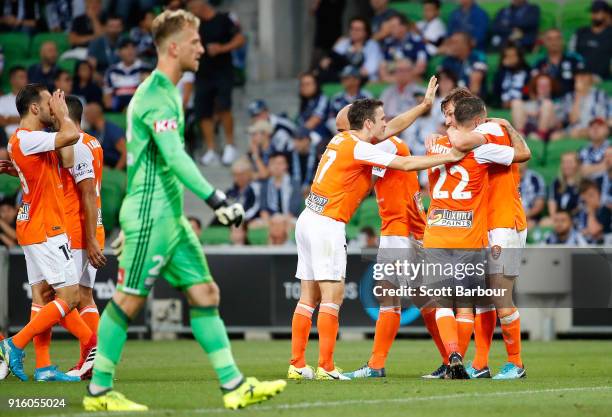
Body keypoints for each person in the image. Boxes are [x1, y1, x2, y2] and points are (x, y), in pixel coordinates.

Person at [82, 10, 285, 411]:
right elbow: (174, 156)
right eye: (195, 42)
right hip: (151, 216)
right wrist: (216, 199)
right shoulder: (156, 95)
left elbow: (162, 157)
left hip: (170, 217)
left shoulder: (168, 92)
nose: (202, 48)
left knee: (206, 292)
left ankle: (234, 385)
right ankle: (99, 391)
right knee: (128, 300)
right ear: (174, 46)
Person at [287, 97, 465, 381]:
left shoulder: (339, 142)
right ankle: (329, 367)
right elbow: (405, 161)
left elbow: (392, 131)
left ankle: (299, 363)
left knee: (311, 297)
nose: (385, 125)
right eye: (380, 121)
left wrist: (422, 107)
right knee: (338, 297)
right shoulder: (363, 146)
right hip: (346, 224)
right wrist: (449, 156)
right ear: (365, 125)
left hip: (311, 218)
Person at [425, 96, 530, 380]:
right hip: (484, 224)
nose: (448, 121)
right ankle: (480, 363)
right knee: (483, 297)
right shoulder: (478, 133)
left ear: (472, 117)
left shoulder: (489, 131)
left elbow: (459, 142)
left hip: (504, 222)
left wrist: (439, 138)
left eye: (451, 114)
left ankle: (516, 363)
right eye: (446, 115)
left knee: (499, 295)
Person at [342, 81, 436, 379]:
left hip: (399, 227)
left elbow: (364, 185)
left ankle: (376, 365)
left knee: (387, 294)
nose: (385, 124)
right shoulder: (385, 144)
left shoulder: (379, 144)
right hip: (415, 226)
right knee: (422, 297)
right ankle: (451, 358)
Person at [0, 84, 84, 383]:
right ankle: (13, 344)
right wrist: (64, 116)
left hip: (34, 225)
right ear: (34, 108)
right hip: (48, 227)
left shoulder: (29, 140)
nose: (53, 106)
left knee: (43, 295)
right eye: (49, 102)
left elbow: (68, 160)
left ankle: (45, 367)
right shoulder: (31, 138)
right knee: (70, 296)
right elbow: (72, 136)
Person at [60, 95, 107, 379]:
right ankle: (90, 361)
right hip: (93, 225)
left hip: (80, 229)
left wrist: (89, 239)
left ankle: (94, 352)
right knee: (84, 297)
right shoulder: (93, 141)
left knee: (63, 298)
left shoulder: (75, 144)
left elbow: (87, 193)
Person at [187, 0, 245, 167]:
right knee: (202, 112)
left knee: (223, 107)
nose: (191, 8)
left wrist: (222, 48)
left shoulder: (224, 18)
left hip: (223, 72)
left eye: (192, 5)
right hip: (202, 73)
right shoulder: (194, 24)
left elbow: (240, 39)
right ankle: (211, 149)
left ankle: (230, 145)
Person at [554, 71, 610, 140]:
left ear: (590, 78)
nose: (581, 78)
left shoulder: (601, 95)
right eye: (579, 76)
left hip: (595, 128)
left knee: (597, 130)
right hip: (575, 130)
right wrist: (578, 95)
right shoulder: (569, 97)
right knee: (556, 136)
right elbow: (573, 120)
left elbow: (606, 119)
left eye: (584, 75)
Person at [325, 17, 383, 82]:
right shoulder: (344, 42)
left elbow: (369, 69)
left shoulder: (372, 45)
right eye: (352, 29)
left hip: (364, 80)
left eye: (357, 29)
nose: (354, 32)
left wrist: (352, 73)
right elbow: (329, 61)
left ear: (365, 32)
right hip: (341, 77)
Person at [531, 28, 585, 97]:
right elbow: (532, 88)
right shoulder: (538, 63)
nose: (554, 42)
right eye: (550, 39)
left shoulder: (574, 60)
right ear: (544, 42)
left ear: (562, 41)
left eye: (557, 38)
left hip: (571, 101)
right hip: (546, 103)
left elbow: (584, 83)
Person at [103, 38, 150, 112]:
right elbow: (107, 96)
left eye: (133, 48)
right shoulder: (112, 71)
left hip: (139, 107)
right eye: (126, 48)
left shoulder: (146, 69)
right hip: (117, 107)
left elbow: (149, 95)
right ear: (118, 52)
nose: (130, 51)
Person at [569, 0, 612, 80]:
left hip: (603, 78)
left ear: (607, 14)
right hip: (580, 77)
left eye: (598, 11)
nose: (594, 15)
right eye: (593, 12)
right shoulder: (581, 32)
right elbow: (571, 54)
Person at [511, 73, 560, 141]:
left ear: (551, 87)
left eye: (546, 85)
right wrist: (529, 113)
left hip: (548, 131)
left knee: (547, 103)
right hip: (528, 129)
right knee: (516, 102)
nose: (543, 88)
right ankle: (520, 135)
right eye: (540, 85)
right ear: (536, 87)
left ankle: (540, 134)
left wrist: (542, 113)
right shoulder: (529, 103)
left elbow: (560, 124)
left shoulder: (558, 102)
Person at [438, 32, 487, 97]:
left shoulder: (478, 58)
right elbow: (440, 81)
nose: (450, 45)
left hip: (468, 100)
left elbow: (475, 88)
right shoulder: (448, 59)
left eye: (454, 42)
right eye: (450, 42)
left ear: (465, 45)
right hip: (448, 98)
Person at [83, 103, 127, 170]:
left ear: (93, 115)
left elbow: (125, 153)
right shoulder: (92, 131)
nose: (85, 119)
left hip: (118, 170)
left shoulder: (112, 131)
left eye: (86, 115)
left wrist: (115, 172)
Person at [259, 153, 302, 220]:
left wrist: (282, 222)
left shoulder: (294, 183)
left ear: (286, 165)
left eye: (280, 163)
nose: (276, 166)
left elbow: (294, 209)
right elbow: (263, 209)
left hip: (290, 219)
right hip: (271, 220)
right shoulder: (265, 185)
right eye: (273, 163)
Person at [492, 43, 530, 108]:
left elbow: (527, 90)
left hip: (522, 104)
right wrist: (504, 68)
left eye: (513, 56)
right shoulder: (501, 73)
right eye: (507, 56)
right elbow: (496, 92)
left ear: (519, 57)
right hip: (502, 105)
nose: (510, 59)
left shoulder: (527, 72)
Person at [224, 157, 261, 224]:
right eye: (236, 174)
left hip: (251, 221)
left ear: (249, 174)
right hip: (234, 223)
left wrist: (241, 219)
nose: (239, 177)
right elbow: (225, 207)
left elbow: (255, 207)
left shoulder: (255, 188)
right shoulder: (230, 191)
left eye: (241, 174)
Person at [0, 66, 28, 153]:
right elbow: (1, 121)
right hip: (8, 138)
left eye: (26, 77)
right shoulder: (3, 100)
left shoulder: (32, 99)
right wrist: (24, 118)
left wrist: (9, 119)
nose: (26, 80)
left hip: (29, 138)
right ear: (13, 80)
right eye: (21, 77)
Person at [575, 178, 611, 244]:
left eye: (591, 195)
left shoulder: (606, 209)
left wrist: (591, 212)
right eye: (586, 197)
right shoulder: (581, 211)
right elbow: (580, 231)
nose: (590, 199)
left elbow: (594, 230)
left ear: (598, 192)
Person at [297, 72, 330, 141]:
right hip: (306, 133)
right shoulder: (305, 101)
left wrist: (298, 134)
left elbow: (314, 120)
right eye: (302, 85)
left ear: (316, 85)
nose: (304, 87)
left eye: (308, 84)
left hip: (321, 137)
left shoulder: (322, 99)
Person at [548, 152, 582, 217]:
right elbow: (552, 203)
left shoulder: (583, 183)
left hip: (576, 218)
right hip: (559, 219)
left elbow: (581, 207)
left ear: (577, 164)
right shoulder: (556, 182)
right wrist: (556, 219)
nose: (567, 165)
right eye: (564, 162)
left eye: (570, 162)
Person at [518, 161, 547, 228]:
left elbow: (539, 203)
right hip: (511, 218)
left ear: (527, 161)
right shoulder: (507, 178)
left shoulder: (535, 179)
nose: (519, 162)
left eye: (521, 160)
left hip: (530, 218)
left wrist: (526, 215)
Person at [290, 127, 317, 195]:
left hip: (313, 194)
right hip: (293, 194)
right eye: (295, 139)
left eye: (300, 140)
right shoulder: (288, 156)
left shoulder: (318, 156)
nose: (296, 143)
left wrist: (311, 186)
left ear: (308, 140)